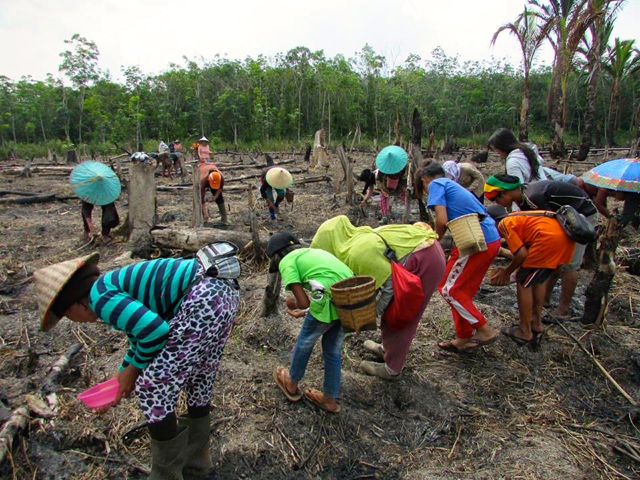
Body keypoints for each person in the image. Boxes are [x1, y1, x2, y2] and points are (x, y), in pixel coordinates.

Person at [33, 250, 240, 479]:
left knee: (153, 387)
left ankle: (166, 475)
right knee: (198, 378)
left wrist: (134, 372)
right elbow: (139, 337)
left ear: (75, 305)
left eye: (68, 316)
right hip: (223, 292)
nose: (75, 322)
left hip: (203, 297)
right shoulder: (109, 287)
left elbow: (155, 331)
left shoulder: (100, 299)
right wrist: (123, 375)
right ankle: (197, 466)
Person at [311, 216, 445, 379]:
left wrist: (373, 314)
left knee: (400, 316)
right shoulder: (356, 239)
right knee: (391, 311)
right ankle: (387, 350)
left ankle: (393, 369)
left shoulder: (357, 254)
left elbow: (388, 286)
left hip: (427, 260)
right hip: (425, 248)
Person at [484, 174, 597, 319]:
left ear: (504, 192)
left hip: (579, 218)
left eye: (497, 199)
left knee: (569, 265)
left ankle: (563, 309)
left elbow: (547, 229)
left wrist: (511, 271)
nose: (498, 203)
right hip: (561, 221)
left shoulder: (533, 197)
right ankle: (544, 300)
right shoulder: (523, 199)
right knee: (551, 263)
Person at [416, 162, 500, 352]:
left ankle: (484, 330)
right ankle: (464, 338)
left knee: (448, 290)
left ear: (424, 180)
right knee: (461, 291)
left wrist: (434, 242)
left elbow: (442, 220)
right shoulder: (453, 185)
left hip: (475, 241)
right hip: (489, 238)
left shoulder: (437, 184)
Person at [268, 232, 354, 413]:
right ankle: (329, 400)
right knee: (332, 350)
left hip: (327, 299)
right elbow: (320, 285)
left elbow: (304, 302)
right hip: (350, 298)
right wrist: (305, 310)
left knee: (305, 341)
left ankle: (291, 383)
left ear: (277, 256)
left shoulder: (287, 261)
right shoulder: (313, 252)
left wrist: (292, 304)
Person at [489, 210, 576, 345]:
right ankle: (536, 322)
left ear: (493, 222)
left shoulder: (505, 224)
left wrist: (507, 272)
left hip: (548, 240)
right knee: (537, 280)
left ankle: (524, 330)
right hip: (564, 240)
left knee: (523, 282)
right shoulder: (521, 218)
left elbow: (522, 255)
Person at [375, 146, 408, 224]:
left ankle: (408, 214)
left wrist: (404, 187)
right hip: (387, 185)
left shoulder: (403, 167)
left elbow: (405, 178)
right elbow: (379, 180)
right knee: (383, 197)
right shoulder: (382, 170)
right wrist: (382, 190)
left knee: (405, 196)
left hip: (399, 184)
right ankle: (384, 216)